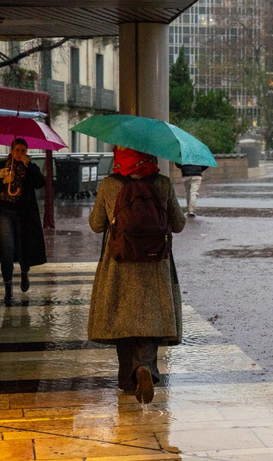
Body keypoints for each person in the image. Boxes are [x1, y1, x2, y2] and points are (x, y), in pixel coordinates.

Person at [89, 146, 186, 404]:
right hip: (155, 265)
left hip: (119, 263)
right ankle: (145, 367)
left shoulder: (110, 184)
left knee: (124, 321)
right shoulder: (162, 183)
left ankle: (128, 380)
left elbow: (96, 224)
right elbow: (178, 223)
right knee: (151, 320)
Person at [0, 138, 47, 302]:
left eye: (23, 150)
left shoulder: (30, 168)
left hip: (24, 214)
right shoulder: (1, 166)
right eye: (17, 150)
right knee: (8, 249)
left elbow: (40, 183)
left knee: (23, 247)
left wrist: (29, 166)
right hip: (4, 212)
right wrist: (3, 181)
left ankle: (24, 272)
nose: (19, 153)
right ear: (11, 150)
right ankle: (8, 286)